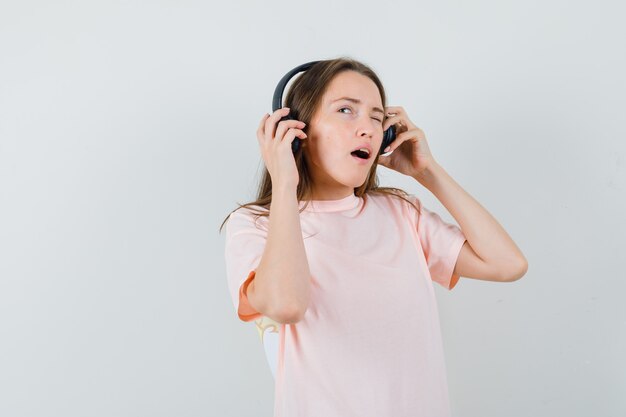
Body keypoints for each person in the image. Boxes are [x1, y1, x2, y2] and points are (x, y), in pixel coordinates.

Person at [220, 57, 528, 417]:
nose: (366, 127)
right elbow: (287, 306)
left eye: (377, 117)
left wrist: (428, 174)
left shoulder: (401, 214)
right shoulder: (255, 225)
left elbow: (508, 264)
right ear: (295, 128)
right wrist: (285, 181)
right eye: (346, 110)